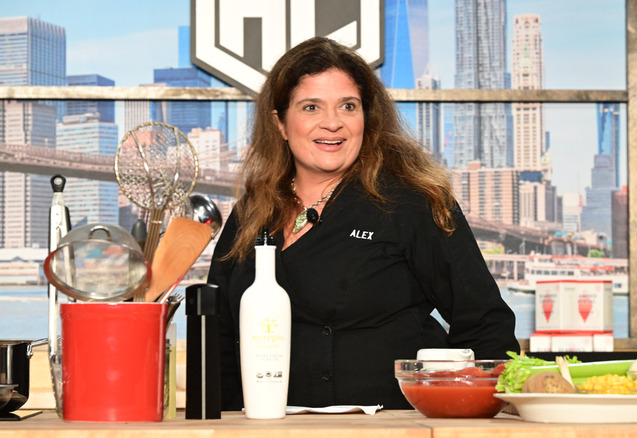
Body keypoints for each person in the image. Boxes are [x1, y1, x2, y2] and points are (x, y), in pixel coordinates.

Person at [208, 36, 520, 411]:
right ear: (281, 124)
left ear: (366, 118)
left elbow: (487, 326)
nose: (332, 123)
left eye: (348, 106)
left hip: (394, 429)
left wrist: (463, 422)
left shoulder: (410, 202)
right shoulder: (250, 211)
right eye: (311, 107)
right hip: (267, 430)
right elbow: (221, 340)